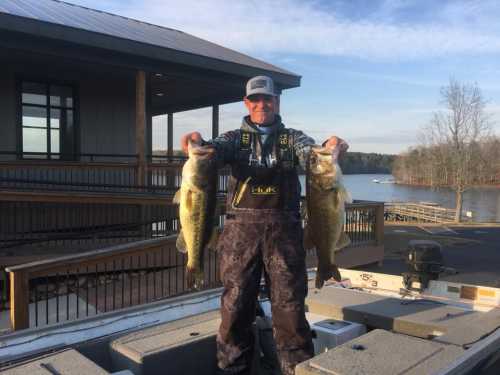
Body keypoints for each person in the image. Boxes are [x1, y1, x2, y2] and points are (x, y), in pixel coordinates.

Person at [180, 75, 348, 375]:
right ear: (246, 103)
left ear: (276, 102)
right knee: (235, 308)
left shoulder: (293, 138)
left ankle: (297, 370)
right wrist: (197, 143)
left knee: (291, 311)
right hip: (239, 238)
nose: (261, 104)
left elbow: (312, 154)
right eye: (255, 99)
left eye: (267, 99)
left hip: (284, 238)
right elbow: (212, 152)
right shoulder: (233, 139)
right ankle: (233, 370)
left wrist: (330, 146)